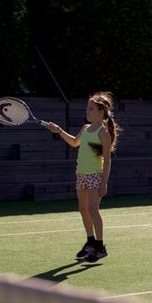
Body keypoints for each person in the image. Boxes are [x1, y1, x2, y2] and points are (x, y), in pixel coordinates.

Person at [46, 92, 121, 262]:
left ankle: (100, 247)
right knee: (83, 209)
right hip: (81, 174)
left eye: (91, 108)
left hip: (95, 175)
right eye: (87, 108)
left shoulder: (103, 134)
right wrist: (59, 131)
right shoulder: (86, 129)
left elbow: (107, 160)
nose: (87, 111)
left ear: (101, 112)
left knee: (94, 210)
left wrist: (104, 183)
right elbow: (74, 142)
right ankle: (90, 242)